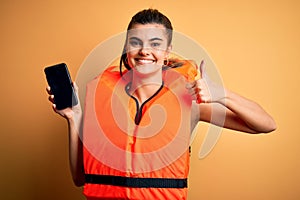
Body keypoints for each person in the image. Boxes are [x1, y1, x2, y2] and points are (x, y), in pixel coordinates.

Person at [46, 8, 276, 200]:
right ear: (126, 49)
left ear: (167, 53)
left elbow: (266, 124)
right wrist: (74, 116)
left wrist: (221, 94)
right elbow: (80, 178)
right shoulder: (102, 100)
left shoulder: (190, 101)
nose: (145, 51)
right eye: (135, 42)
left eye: (155, 44)